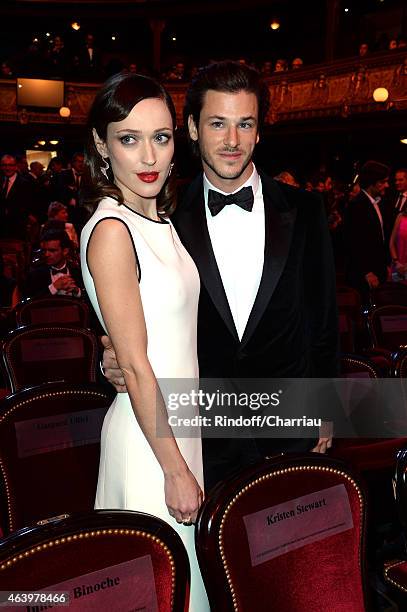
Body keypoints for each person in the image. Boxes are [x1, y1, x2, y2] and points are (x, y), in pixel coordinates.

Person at [102, 61, 338, 492]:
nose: (232, 141)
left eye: (245, 124)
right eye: (217, 124)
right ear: (191, 129)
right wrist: (111, 357)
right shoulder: (163, 217)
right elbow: (136, 315)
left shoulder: (305, 210)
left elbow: (323, 321)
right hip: (203, 439)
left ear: (259, 131)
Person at [80, 72, 208, 611]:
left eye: (160, 136)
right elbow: (133, 365)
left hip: (183, 430)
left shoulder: (160, 220)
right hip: (150, 447)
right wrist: (175, 471)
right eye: (128, 139)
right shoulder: (112, 230)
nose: (147, 154)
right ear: (101, 146)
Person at [344, 160, 391, 300]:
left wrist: (385, 264)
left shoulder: (376, 202)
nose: (387, 185)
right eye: (383, 182)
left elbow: (380, 237)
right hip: (365, 274)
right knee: (366, 311)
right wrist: (367, 272)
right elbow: (353, 242)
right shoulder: (357, 205)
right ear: (372, 182)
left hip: (378, 269)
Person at [23, 229, 82, 299]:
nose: (46, 254)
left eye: (52, 250)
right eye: (44, 250)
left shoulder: (77, 271)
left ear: (65, 251)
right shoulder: (35, 273)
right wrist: (54, 287)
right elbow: (29, 301)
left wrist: (77, 291)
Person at [390, 208, 407, 282]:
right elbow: (391, 243)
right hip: (397, 266)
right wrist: (396, 261)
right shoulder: (400, 216)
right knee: (396, 290)